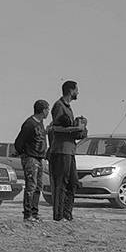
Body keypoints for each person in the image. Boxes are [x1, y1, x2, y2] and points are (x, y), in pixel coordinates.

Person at [47, 81, 84, 222]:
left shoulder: (68, 107)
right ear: (70, 91)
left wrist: (80, 130)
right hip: (61, 151)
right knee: (61, 184)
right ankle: (58, 216)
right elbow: (55, 128)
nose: (78, 92)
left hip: (70, 150)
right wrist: (75, 129)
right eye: (76, 90)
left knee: (73, 183)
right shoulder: (59, 106)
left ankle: (67, 214)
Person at [13, 99, 50, 221]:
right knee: (31, 186)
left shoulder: (40, 123)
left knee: (38, 186)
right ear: (43, 110)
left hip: (39, 158)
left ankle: (34, 212)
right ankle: (27, 213)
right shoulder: (29, 124)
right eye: (47, 109)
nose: (48, 112)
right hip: (31, 158)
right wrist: (24, 154)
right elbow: (19, 142)